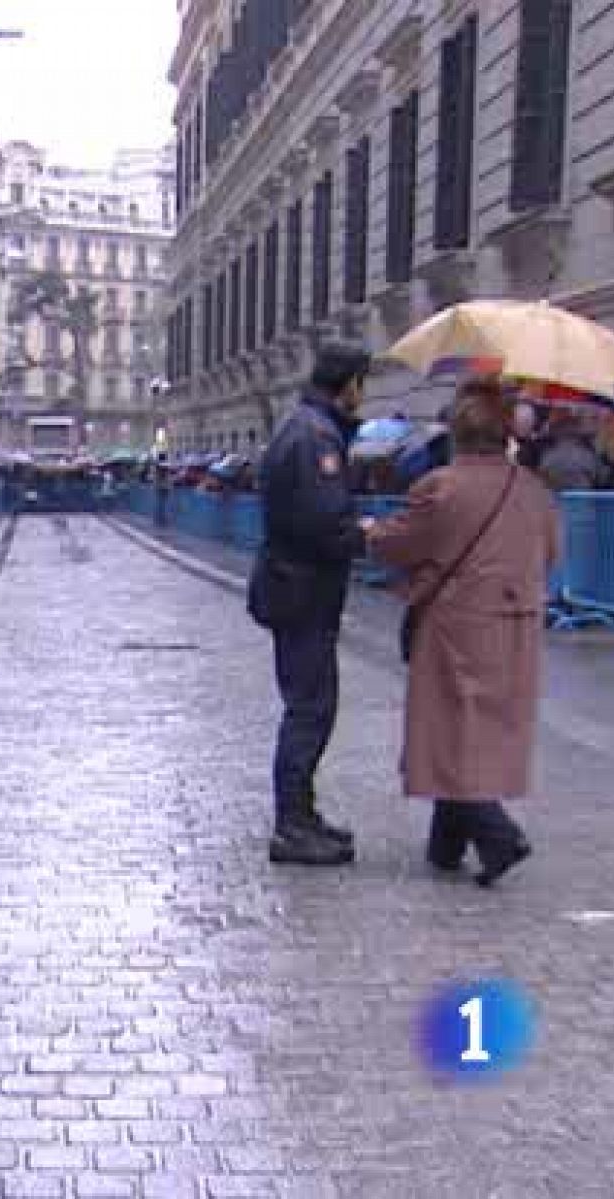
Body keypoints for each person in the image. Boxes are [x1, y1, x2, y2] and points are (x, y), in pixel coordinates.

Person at [362, 378, 559, 886]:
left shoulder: (441, 486)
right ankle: (446, 843)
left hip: (456, 624)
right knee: (479, 731)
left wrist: (368, 530)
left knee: (448, 730)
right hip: (516, 625)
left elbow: (399, 543)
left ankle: (496, 834)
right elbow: (552, 554)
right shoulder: (532, 489)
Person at [246, 340, 371, 867]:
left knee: (311, 705)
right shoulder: (313, 437)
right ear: (348, 385)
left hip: (295, 587)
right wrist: (360, 533)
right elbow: (322, 524)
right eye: (362, 384)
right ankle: (293, 825)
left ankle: (302, 815)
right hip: (303, 591)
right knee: (310, 709)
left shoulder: (305, 428)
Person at [536, 412, 607, 491]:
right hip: (581, 497)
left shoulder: (548, 456)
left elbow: (540, 479)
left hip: (555, 498)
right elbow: (602, 477)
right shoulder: (588, 456)